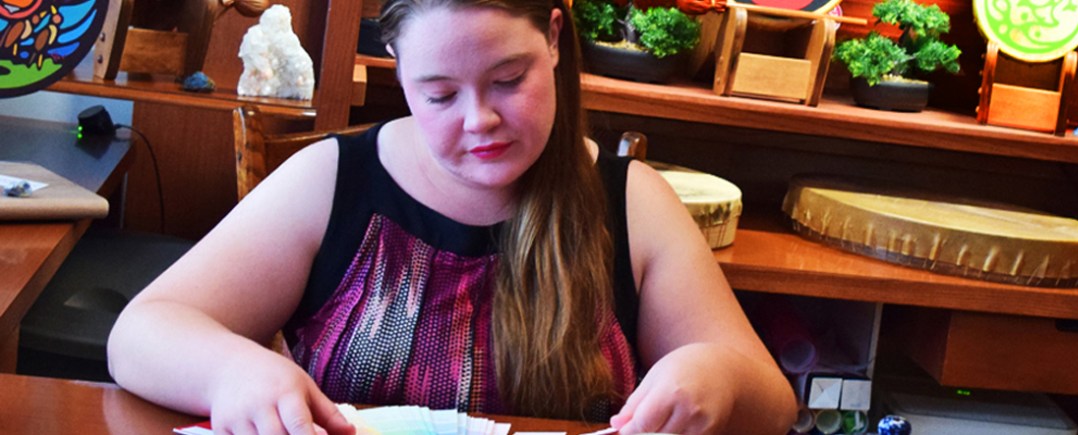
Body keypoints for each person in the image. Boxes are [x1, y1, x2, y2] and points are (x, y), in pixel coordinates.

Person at [107, 0, 796, 433]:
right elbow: (141, 332)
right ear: (398, 65)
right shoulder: (334, 178)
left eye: (508, 80)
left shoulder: (629, 201)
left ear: (554, 37)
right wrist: (234, 370)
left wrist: (718, 376)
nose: (480, 121)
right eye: (438, 94)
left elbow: (773, 401)